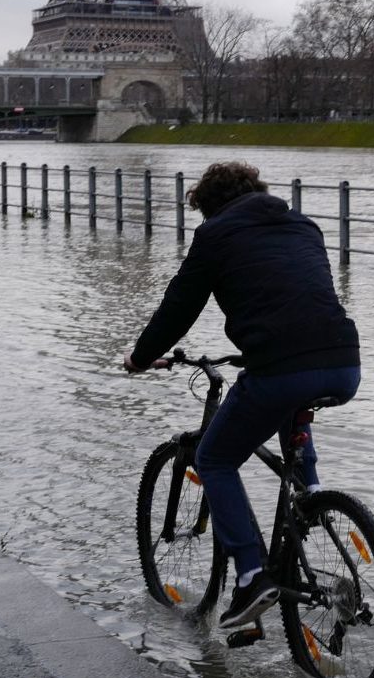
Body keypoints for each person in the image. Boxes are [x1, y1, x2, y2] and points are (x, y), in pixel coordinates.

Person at [124, 161, 360, 629]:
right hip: (345, 361)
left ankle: (252, 575)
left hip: (280, 367)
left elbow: (179, 307)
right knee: (286, 400)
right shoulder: (304, 226)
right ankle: (311, 495)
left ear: (209, 208)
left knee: (214, 459)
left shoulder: (215, 236)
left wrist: (140, 355)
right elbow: (296, 296)